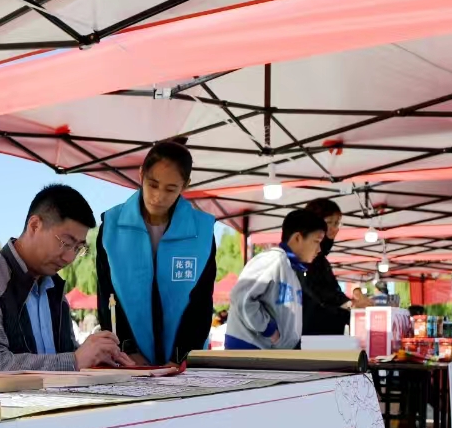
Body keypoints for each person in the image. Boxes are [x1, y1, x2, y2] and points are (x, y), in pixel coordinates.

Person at [0, 184, 133, 372]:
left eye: (78, 248)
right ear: (34, 225)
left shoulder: (54, 289)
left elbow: (62, 356)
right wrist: (75, 360)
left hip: (50, 392)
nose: (69, 258)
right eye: (65, 243)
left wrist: (96, 358)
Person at [96, 139, 217, 365]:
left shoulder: (201, 231)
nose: (159, 196)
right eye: (153, 184)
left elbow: (201, 302)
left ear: (185, 185)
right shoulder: (112, 227)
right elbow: (106, 298)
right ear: (141, 174)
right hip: (130, 360)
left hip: (183, 361)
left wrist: (180, 358)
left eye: (171, 189)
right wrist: (128, 349)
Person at [225, 209, 327, 350]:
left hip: (270, 353)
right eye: (317, 241)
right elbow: (241, 298)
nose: (319, 249)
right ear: (298, 238)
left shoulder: (292, 270)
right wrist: (270, 331)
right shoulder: (272, 260)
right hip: (250, 351)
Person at [300, 198, 368, 335]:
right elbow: (317, 293)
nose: (333, 229)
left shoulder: (321, 260)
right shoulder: (305, 257)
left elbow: (331, 294)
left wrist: (352, 306)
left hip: (327, 334)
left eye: (336, 223)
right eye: (328, 222)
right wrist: (349, 304)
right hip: (311, 336)